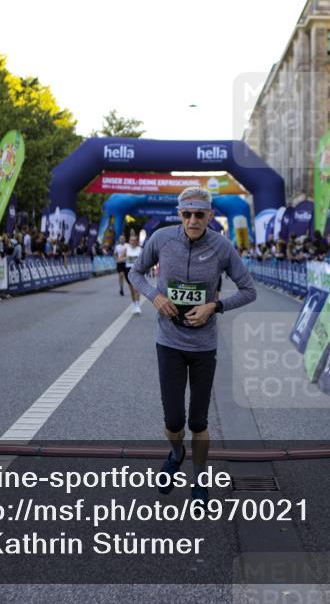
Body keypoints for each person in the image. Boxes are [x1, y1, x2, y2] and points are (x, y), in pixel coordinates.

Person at [128, 187, 257, 503]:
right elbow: (135, 273)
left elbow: (249, 290)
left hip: (203, 346)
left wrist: (216, 306)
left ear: (210, 215)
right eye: (187, 214)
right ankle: (176, 453)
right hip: (169, 342)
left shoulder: (222, 246)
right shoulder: (161, 240)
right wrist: (156, 297)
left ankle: (200, 482)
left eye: (200, 214)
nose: (194, 220)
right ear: (179, 214)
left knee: (198, 420)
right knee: (174, 420)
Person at [125, 231, 143, 313]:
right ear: (129, 241)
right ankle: (134, 304)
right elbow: (119, 258)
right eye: (131, 240)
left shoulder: (140, 249)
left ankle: (138, 306)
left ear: (136, 241)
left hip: (136, 270)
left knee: (136, 289)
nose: (132, 242)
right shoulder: (126, 249)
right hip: (128, 270)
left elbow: (144, 261)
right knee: (131, 290)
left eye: (134, 240)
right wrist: (125, 259)